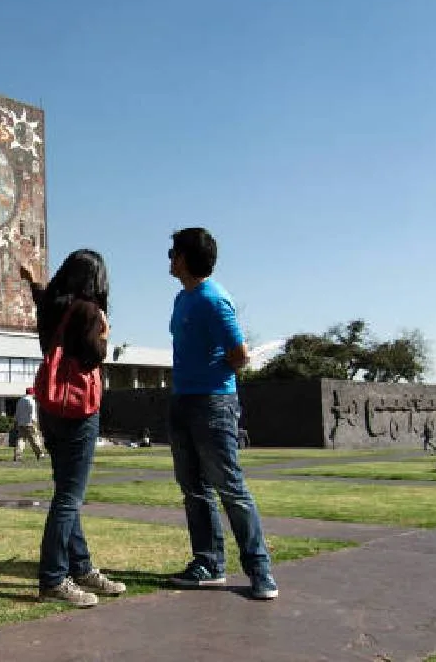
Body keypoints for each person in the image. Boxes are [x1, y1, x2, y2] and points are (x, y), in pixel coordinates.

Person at [166, 227, 278, 600]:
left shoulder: (214, 299)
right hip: (183, 401)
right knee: (194, 489)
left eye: (172, 252)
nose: (168, 258)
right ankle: (209, 563)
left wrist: (211, 378)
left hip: (213, 405)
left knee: (230, 487)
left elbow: (240, 354)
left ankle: (260, 571)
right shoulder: (183, 299)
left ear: (185, 257)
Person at [19, 249, 126, 607]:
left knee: (67, 490)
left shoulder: (51, 305)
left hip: (51, 407)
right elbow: (94, 356)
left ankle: (81, 567)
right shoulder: (89, 312)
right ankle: (53, 577)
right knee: (69, 497)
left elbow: (41, 293)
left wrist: (33, 279)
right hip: (80, 409)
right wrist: (105, 333)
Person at [12, 387, 46, 462]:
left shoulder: (20, 401)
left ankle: (18, 455)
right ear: (32, 393)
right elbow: (33, 413)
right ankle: (40, 454)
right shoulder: (32, 401)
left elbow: (17, 413)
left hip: (21, 423)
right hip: (30, 423)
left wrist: (16, 422)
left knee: (21, 439)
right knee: (35, 439)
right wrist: (35, 422)